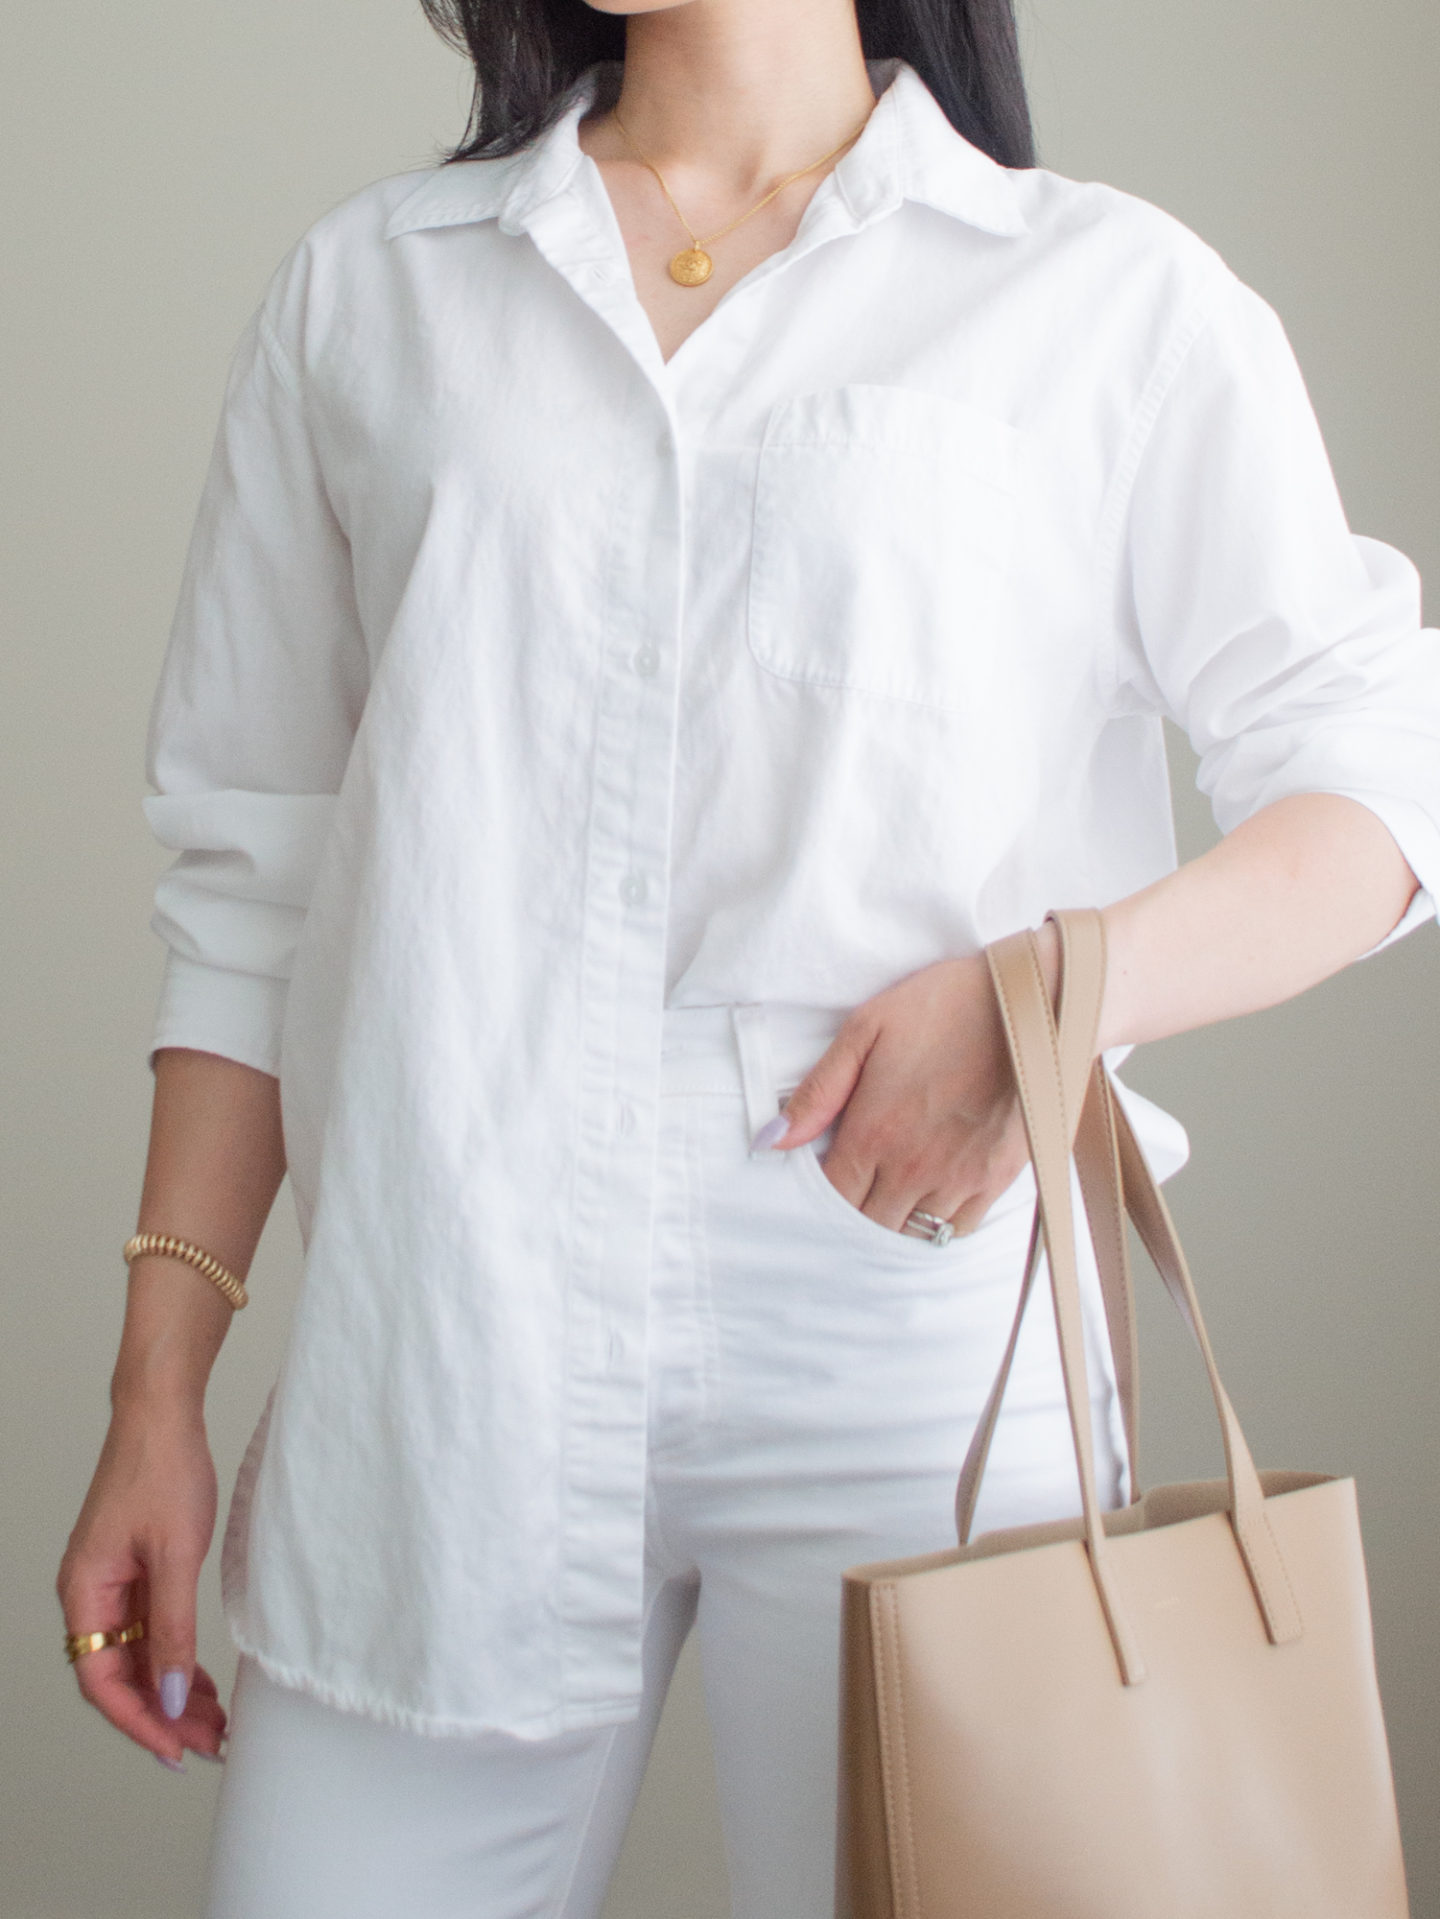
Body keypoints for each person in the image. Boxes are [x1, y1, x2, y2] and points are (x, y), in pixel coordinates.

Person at [57, 0, 1440, 1914]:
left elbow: (1382, 786)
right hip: (449, 1324)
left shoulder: (1106, 300)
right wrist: (158, 1393)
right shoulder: (373, 293)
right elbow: (253, 888)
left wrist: (1055, 994)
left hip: (925, 1338)